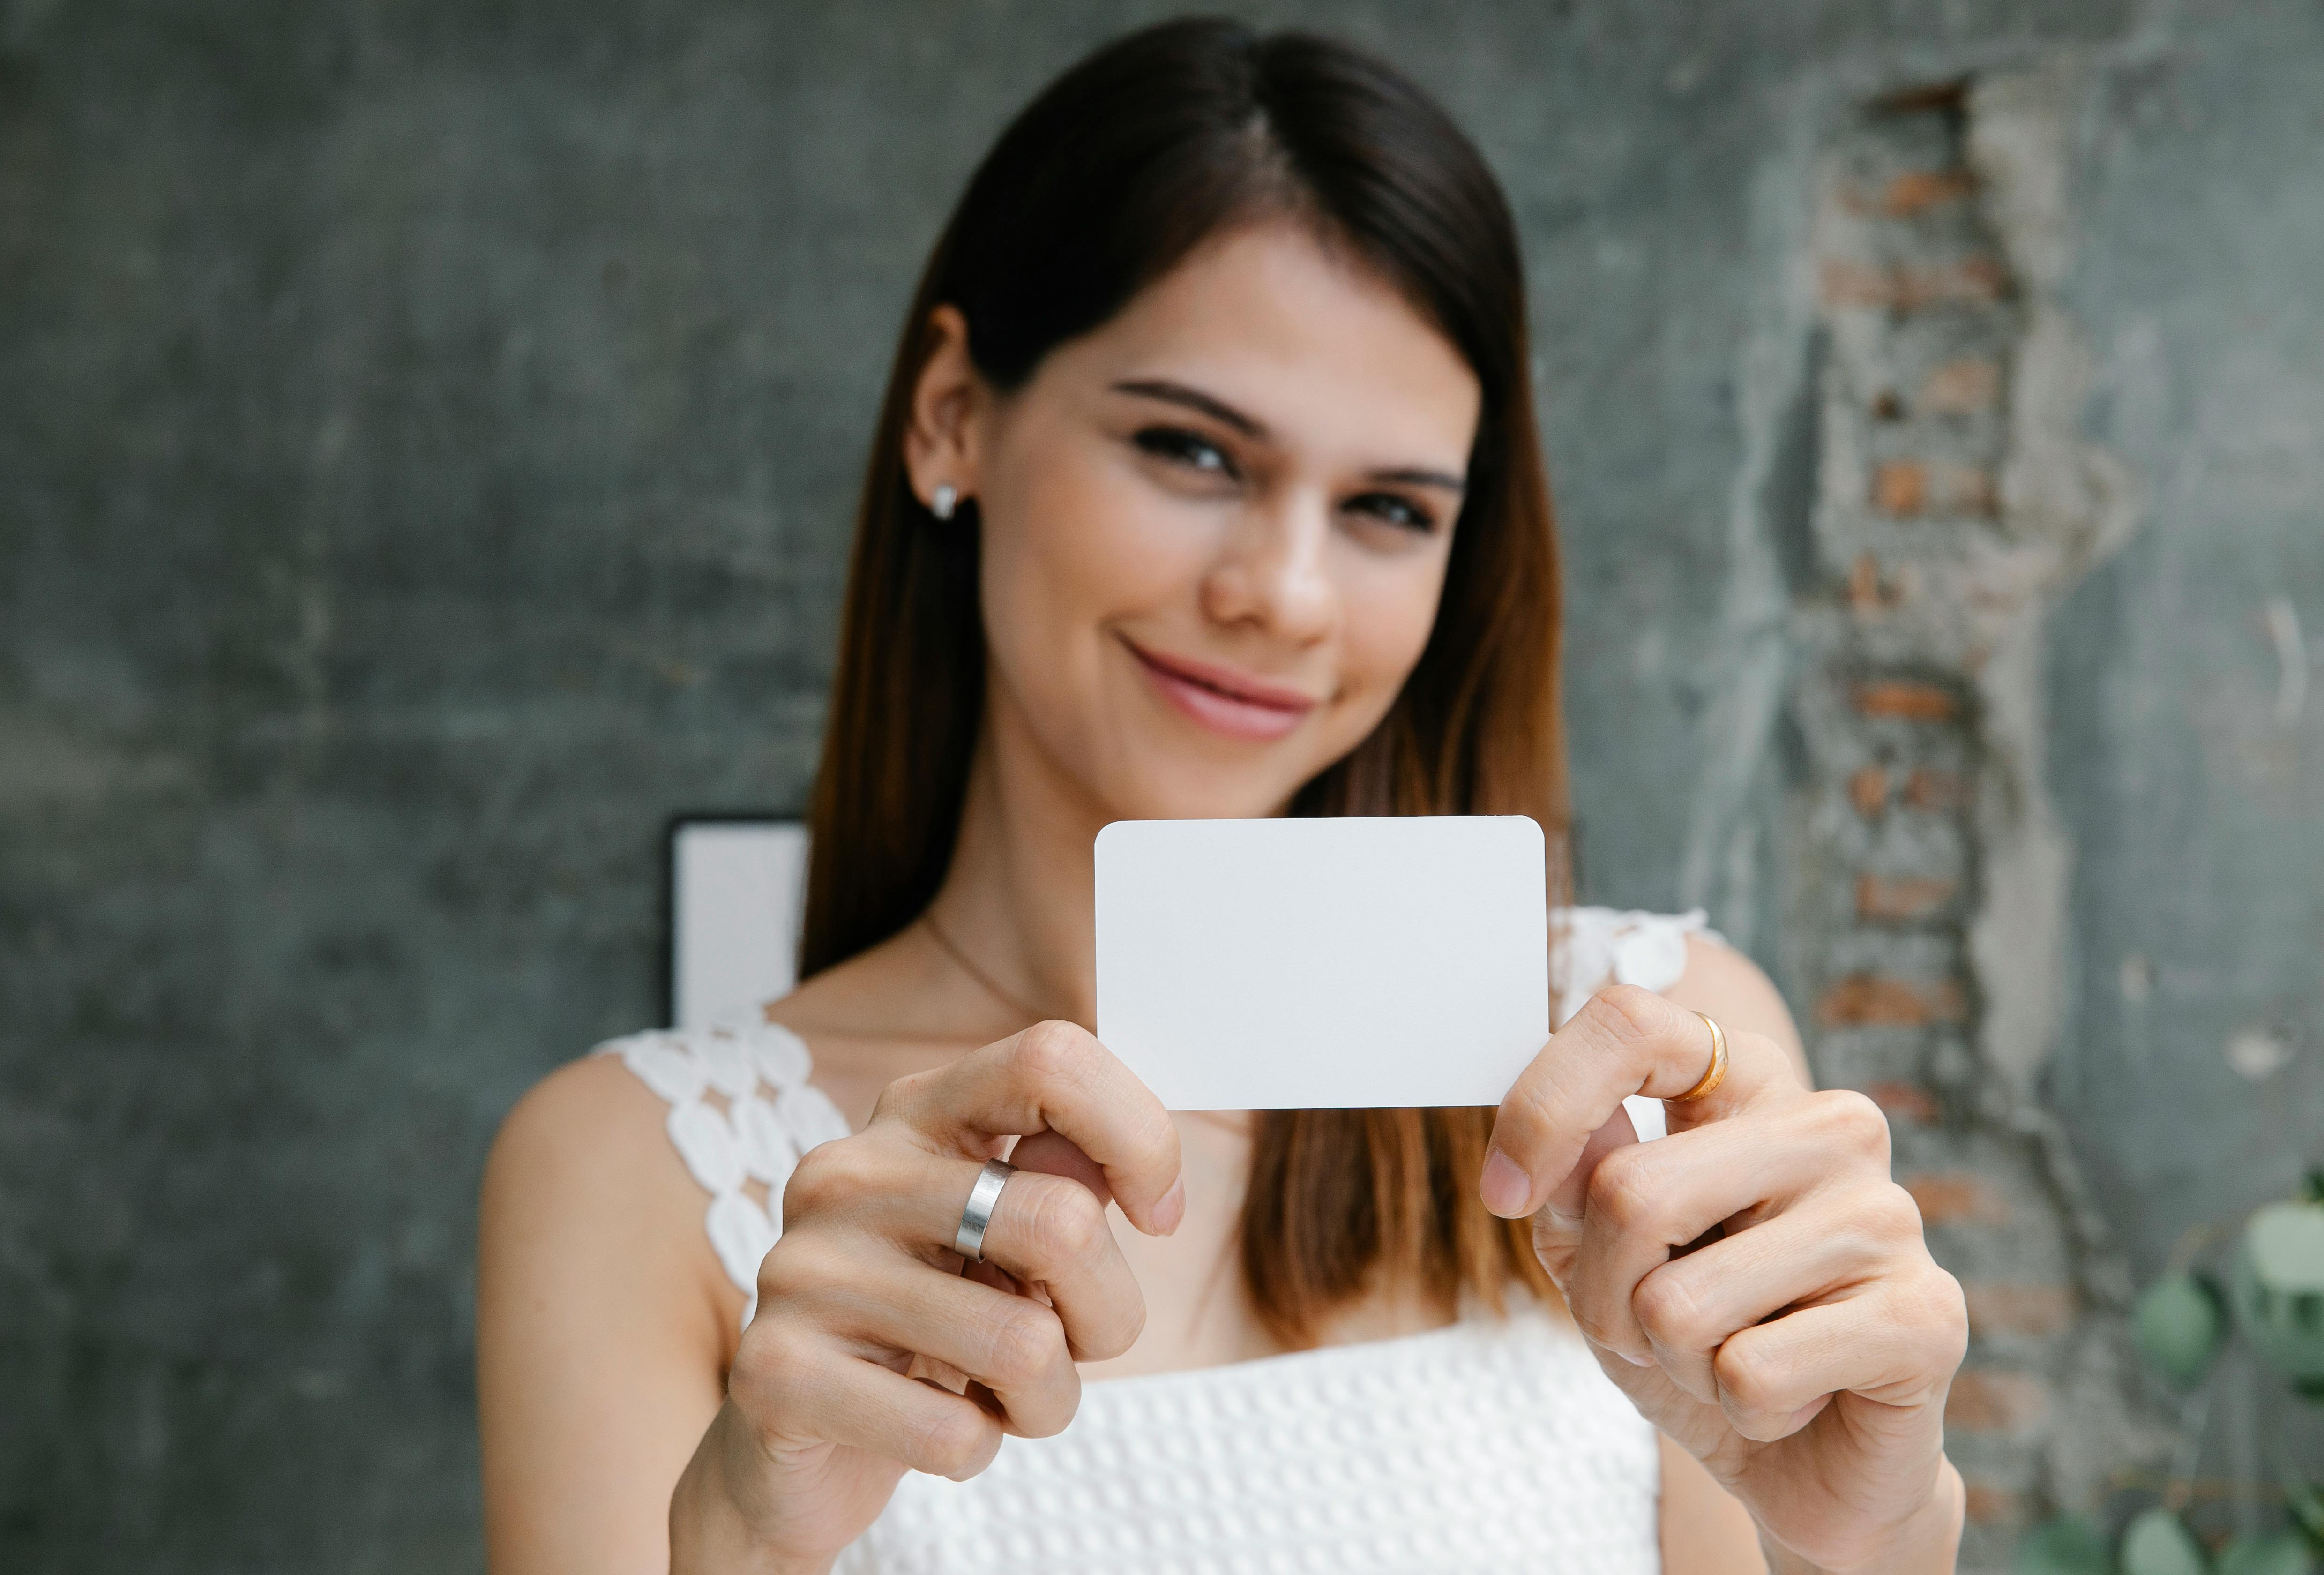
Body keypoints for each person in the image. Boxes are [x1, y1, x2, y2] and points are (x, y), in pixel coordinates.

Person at [476, 19, 1969, 1573]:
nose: (1286, 594)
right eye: (1191, 450)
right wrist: (743, 1543)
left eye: (1389, 508)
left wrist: (1872, 1538)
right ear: (953, 416)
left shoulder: (1645, 1076)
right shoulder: (630, 1174)